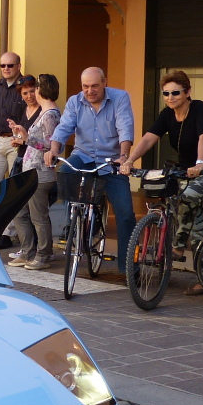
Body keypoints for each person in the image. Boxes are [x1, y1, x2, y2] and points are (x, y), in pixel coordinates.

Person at [121, 71, 203, 292]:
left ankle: (178, 246)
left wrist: (200, 163)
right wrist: (130, 159)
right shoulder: (167, 114)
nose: (170, 97)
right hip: (185, 172)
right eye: (166, 93)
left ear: (188, 92)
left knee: (187, 197)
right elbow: (149, 138)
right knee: (197, 221)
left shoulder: (199, 108)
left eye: (175, 93)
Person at [47, 67, 137, 270]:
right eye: (85, 86)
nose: (90, 91)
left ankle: (128, 266)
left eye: (95, 85)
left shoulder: (120, 98)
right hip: (83, 156)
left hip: (111, 161)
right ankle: (73, 218)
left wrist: (123, 157)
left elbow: (125, 127)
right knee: (64, 174)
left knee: (126, 214)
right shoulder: (74, 101)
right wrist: (53, 149)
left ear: (105, 82)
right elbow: (63, 128)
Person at [8, 75, 61, 270]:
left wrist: (27, 138)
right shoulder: (45, 113)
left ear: (41, 90)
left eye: (36, 88)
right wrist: (23, 134)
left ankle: (43, 255)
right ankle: (28, 252)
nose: (33, 92)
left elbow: (51, 145)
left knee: (39, 216)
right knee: (21, 212)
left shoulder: (50, 115)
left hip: (41, 173)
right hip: (31, 171)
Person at [0, 51, 27, 205]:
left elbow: (30, 115)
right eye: (3, 65)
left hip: (16, 143)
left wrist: (21, 138)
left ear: (19, 66)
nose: (6, 68)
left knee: (13, 188)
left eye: (10, 65)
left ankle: (10, 230)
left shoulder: (26, 87)